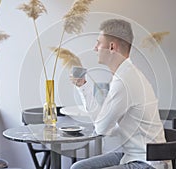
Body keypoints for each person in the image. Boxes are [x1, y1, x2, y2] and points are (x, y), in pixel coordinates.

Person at [70, 19, 168, 169]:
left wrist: (84, 88)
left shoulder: (124, 80)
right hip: (130, 155)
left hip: (148, 162)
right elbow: (107, 126)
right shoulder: (126, 74)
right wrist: (83, 86)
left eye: (98, 43)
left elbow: (101, 128)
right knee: (78, 167)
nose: (95, 48)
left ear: (111, 47)